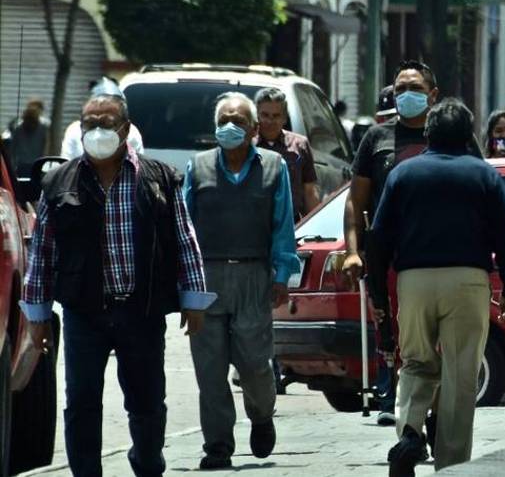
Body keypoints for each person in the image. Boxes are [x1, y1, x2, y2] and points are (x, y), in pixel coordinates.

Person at [20, 93, 213, 477]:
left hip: (141, 311)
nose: (96, 132)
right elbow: (41, 251)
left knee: (147, 404)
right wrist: (37, 315)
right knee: (81, 403)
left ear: (124, 130)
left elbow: (184, 237)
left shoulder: (159, 178)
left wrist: (193, 299)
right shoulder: (58, 182)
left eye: (105, 124)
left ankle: (146, 463)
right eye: (89, 123)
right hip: (83, 313)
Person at [372, 99, 505, 475]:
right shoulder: (483, 174)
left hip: (415, 281)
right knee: (459, 374)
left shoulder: (403, 174)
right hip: (467, 281)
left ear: (428, 133)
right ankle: (452, 464)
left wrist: (378, 294)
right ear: (469, 134)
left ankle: (409, 432)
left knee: (416, 362)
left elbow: (380, 238)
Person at [182, 92, 297, 470]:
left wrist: (281, 275)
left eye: (239, 121)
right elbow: (183, 229)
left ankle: (262, 415)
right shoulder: (196, 168)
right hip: (206, 278)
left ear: (253, 129)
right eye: (224, 120)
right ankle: (217, 445)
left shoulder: (273, 166)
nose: (231, 126)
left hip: (253, 275)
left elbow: (282, 226)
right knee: (210, 370)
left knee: (255, 364)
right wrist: (184, 286)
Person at [342, 62, 440, 426]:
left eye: (413, 88)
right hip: (391, 259)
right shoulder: (376, 138)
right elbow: (356, 200)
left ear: (433, 94)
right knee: (396, 336)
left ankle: (434, 411)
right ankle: (402, 410)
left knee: (439, 340)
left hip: (442, 257)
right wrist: (353, 251)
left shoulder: (448, 135)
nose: (405, 96)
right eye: (399, 89)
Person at [254, 88, 321, 221]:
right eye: (265, 115)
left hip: (291, 224)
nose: (270, 121)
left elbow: (309, 191)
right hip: (256, 224)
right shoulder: (247, 146)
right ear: (257, 116)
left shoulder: (299, 145)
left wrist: (314, 225)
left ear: (284, 118)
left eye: (276, 116)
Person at [62, 78, 145, 158]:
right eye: (91, 123)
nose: (98, 133)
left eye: (107, 124)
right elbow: (66, 162)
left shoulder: (133, 134)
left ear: (126, 129)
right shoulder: (74, 131)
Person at [2, 98, 49, 178]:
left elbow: (47, 146)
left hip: (33, 164)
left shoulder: (44, 127)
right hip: (29, 165)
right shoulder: (18, 127)